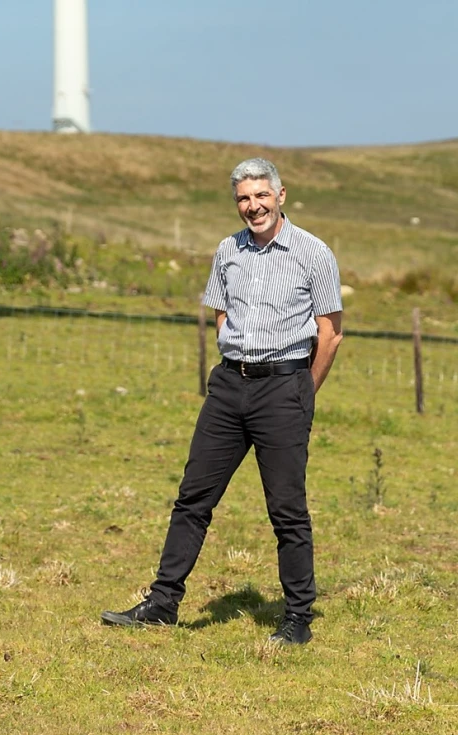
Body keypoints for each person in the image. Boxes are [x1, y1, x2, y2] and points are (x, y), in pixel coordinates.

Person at [101, 158, 344, 644]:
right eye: (243, 198)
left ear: (281, 196)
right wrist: (236, 362)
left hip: (284, 387)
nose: (252, 206)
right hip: (230, 387)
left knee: (286, 509)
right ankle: (163, 602)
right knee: (193, 498)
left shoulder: (313, 253)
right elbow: (221, 312)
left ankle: (297, 617)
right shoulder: (227, 251)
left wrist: (301, 391)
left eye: (260, 195)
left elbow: (330, 333)